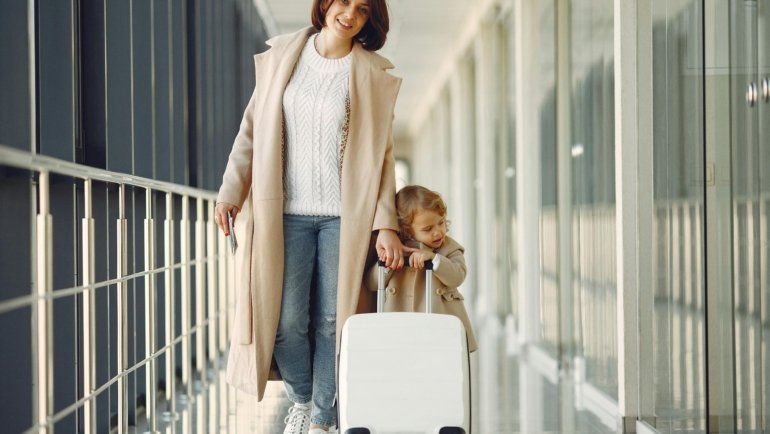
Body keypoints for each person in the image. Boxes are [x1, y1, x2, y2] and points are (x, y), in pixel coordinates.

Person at [213, 0, 407, 432]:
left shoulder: (371, 76)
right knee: (282, 322)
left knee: (333, 321)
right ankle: (303, 399)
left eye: (362, 8)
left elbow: (383, 159)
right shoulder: (283, 55)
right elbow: (251, 130)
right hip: (283, 215)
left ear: (369, 19)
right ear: (325, 5)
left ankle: (320, 419)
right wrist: (231, 191)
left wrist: (386, 224)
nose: (349, 13)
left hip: (345, 218)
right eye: (342, 1)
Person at [365, 185, 478, 352]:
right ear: (407, 230)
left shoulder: (450, 248)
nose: (438, 232)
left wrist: (434, 259)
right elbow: (372, 284)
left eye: (441, 223)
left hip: (441, 325)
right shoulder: (396, 249)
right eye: (427, 229)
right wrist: (389, 264)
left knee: (442, 366)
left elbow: (457, 276)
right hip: (400, 326)